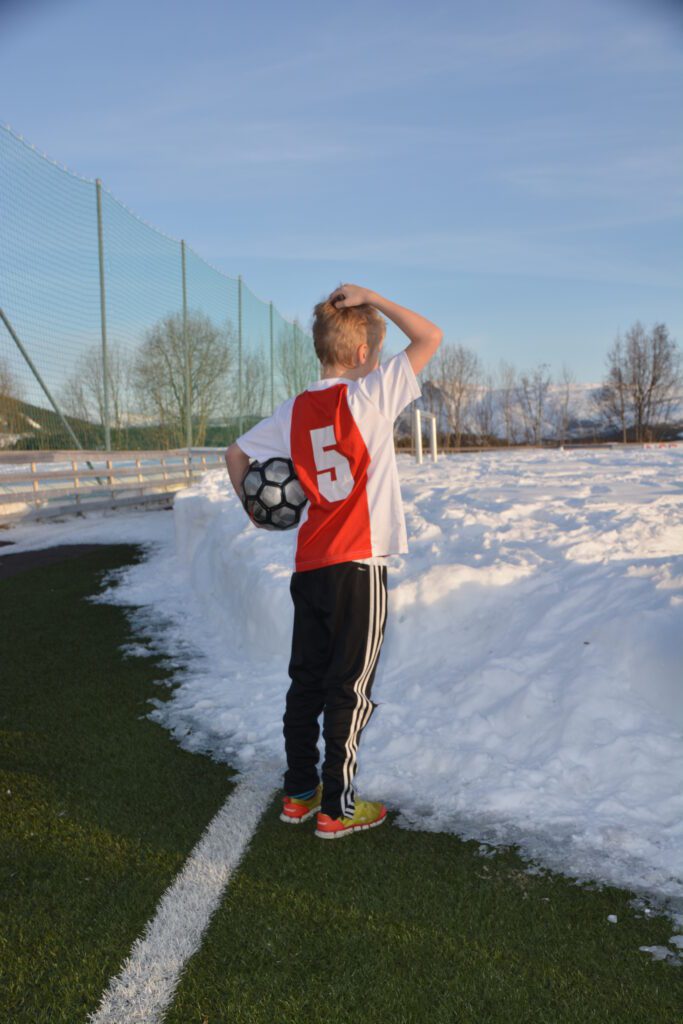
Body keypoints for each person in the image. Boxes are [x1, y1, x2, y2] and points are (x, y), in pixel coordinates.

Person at [225, 284, 442, 839]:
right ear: (365, 353)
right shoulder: (371, 395)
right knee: (349, 688)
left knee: (306, 682)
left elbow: (236, 454)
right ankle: (337, 809)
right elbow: (430, 336)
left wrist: (255, 510)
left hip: (311, 565)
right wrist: (373, 296)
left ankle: (300, 794)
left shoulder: (294, 410)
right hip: (359, 567)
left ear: (319, 348)